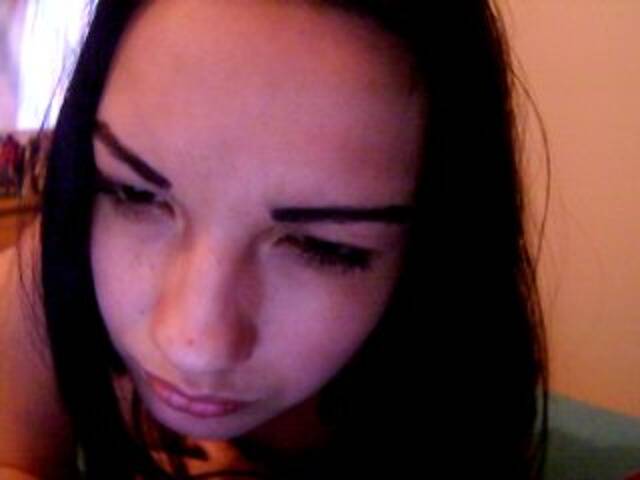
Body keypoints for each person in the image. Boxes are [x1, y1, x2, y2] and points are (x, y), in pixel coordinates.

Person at [0, 0, 549, 478]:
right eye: (134, 194)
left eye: (322, 248)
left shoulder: (463, 390)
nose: (194, 343)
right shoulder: (51, 270)